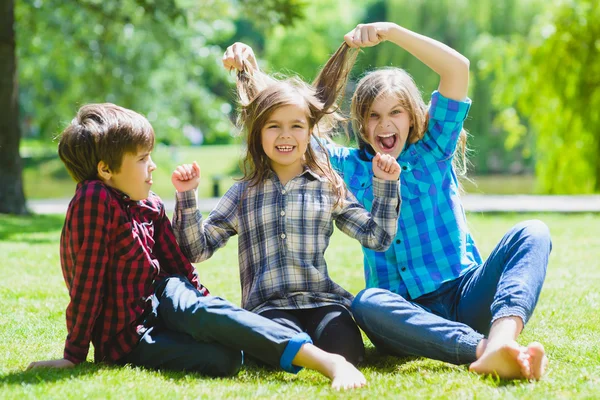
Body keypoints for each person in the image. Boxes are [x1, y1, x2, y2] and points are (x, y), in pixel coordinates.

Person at [223, 22, 552, 380]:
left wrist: (393, 32)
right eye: (373, 116)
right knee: (366, 302)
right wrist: (250, 71)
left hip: (464, 292)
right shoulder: (345, 168)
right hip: (402, 317)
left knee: (532, 232)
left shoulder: (434, 150)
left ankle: (502, 340)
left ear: (412, 117)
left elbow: (456, 68)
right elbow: (288, 119)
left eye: (395, 112)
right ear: (362, 126)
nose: (384, 125)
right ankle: (484, 350)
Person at [26, 103, 367, 391]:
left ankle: (327, 362)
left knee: (201, 310)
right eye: (143, 158)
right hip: (128, 333)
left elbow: (179, 267)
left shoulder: (150, 204)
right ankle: (277, 345)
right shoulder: (94, 198)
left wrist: (207, 309)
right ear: (105, 170)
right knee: (226, 359)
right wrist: (73, 354)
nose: (153, 166)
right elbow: (88, 283)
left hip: (166, 293)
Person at [171, 46, 401, 367]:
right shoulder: (243, 193)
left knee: (348, 352)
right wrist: (186, 197)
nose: (285, 135)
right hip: (268, 308)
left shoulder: (328, 184)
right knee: (281, 347)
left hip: (323, 301)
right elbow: (197, 249)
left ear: (309, 133)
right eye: (273, 126)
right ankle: (301, 350)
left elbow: (377, 237)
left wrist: (386, 186)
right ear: (259, 134)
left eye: (296, 125)